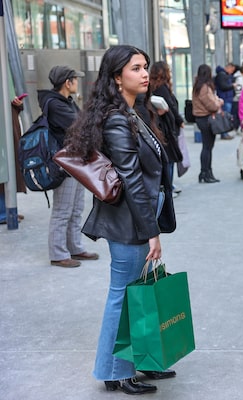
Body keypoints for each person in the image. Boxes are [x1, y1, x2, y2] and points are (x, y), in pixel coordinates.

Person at [65, 44, 177, 394]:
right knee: (124, 296)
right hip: (128, 222)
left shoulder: (133, 112)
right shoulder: (117, 119)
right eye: (135, 68)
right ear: (116, 77)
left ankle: (139, 361)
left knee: (135, 293)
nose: (144, 74)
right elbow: (131, 180)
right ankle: (116, 371)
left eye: (145, 67)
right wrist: (151, 231)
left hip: (136, 218)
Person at [38, 65, 98, 268]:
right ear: (67, 82)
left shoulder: (67, 101)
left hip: (76, 161)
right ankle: (58, 254)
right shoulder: (55, 104)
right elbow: (80, 126)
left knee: (76, 208)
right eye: (75, 79)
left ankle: (75, 247)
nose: (77, 83)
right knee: (63, 210)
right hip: (65, 164)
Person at [149, 61, 184, 196]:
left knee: (166, 159)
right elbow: (172, 107)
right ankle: (168, 188)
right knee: (169, 159)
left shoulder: (152, 87)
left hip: (160, 127)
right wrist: (180, 121)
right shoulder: (162, 88)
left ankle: (169, 186)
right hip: (166, 128)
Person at [193, 64, 224, 183]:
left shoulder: (198, 86)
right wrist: (219, 103)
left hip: (201, 118)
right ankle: (206, 173)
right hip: (205, 119)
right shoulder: (204, 87)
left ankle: (206, 172)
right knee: (207, 147)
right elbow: (211, 105)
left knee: (207, 147)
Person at [0, 96, 27, 225]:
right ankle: (3, 213)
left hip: (9, 134)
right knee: (3, 174)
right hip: (4, 137)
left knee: (10, 174)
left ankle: (8, 209)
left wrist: (17, 104)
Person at [214, 63, 236, 140]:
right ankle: (224, 133)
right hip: (225, 99)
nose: (232, 72)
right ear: (228, 68)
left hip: (227, 98)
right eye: (231, 70)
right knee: (224, 117)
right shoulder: (222, 75)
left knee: (226, 116)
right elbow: (223, 86)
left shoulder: (225, 75)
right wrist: (232, 86)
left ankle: (225, 133)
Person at [232, 65, 243, 132]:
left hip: (237, 98)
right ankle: (236, 128)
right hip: (238, 99)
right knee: (237, 114)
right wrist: (241, 97)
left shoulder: (238, 77)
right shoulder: (240, 79)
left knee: (236, 114)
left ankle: (237, 128)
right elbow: (239, 88)